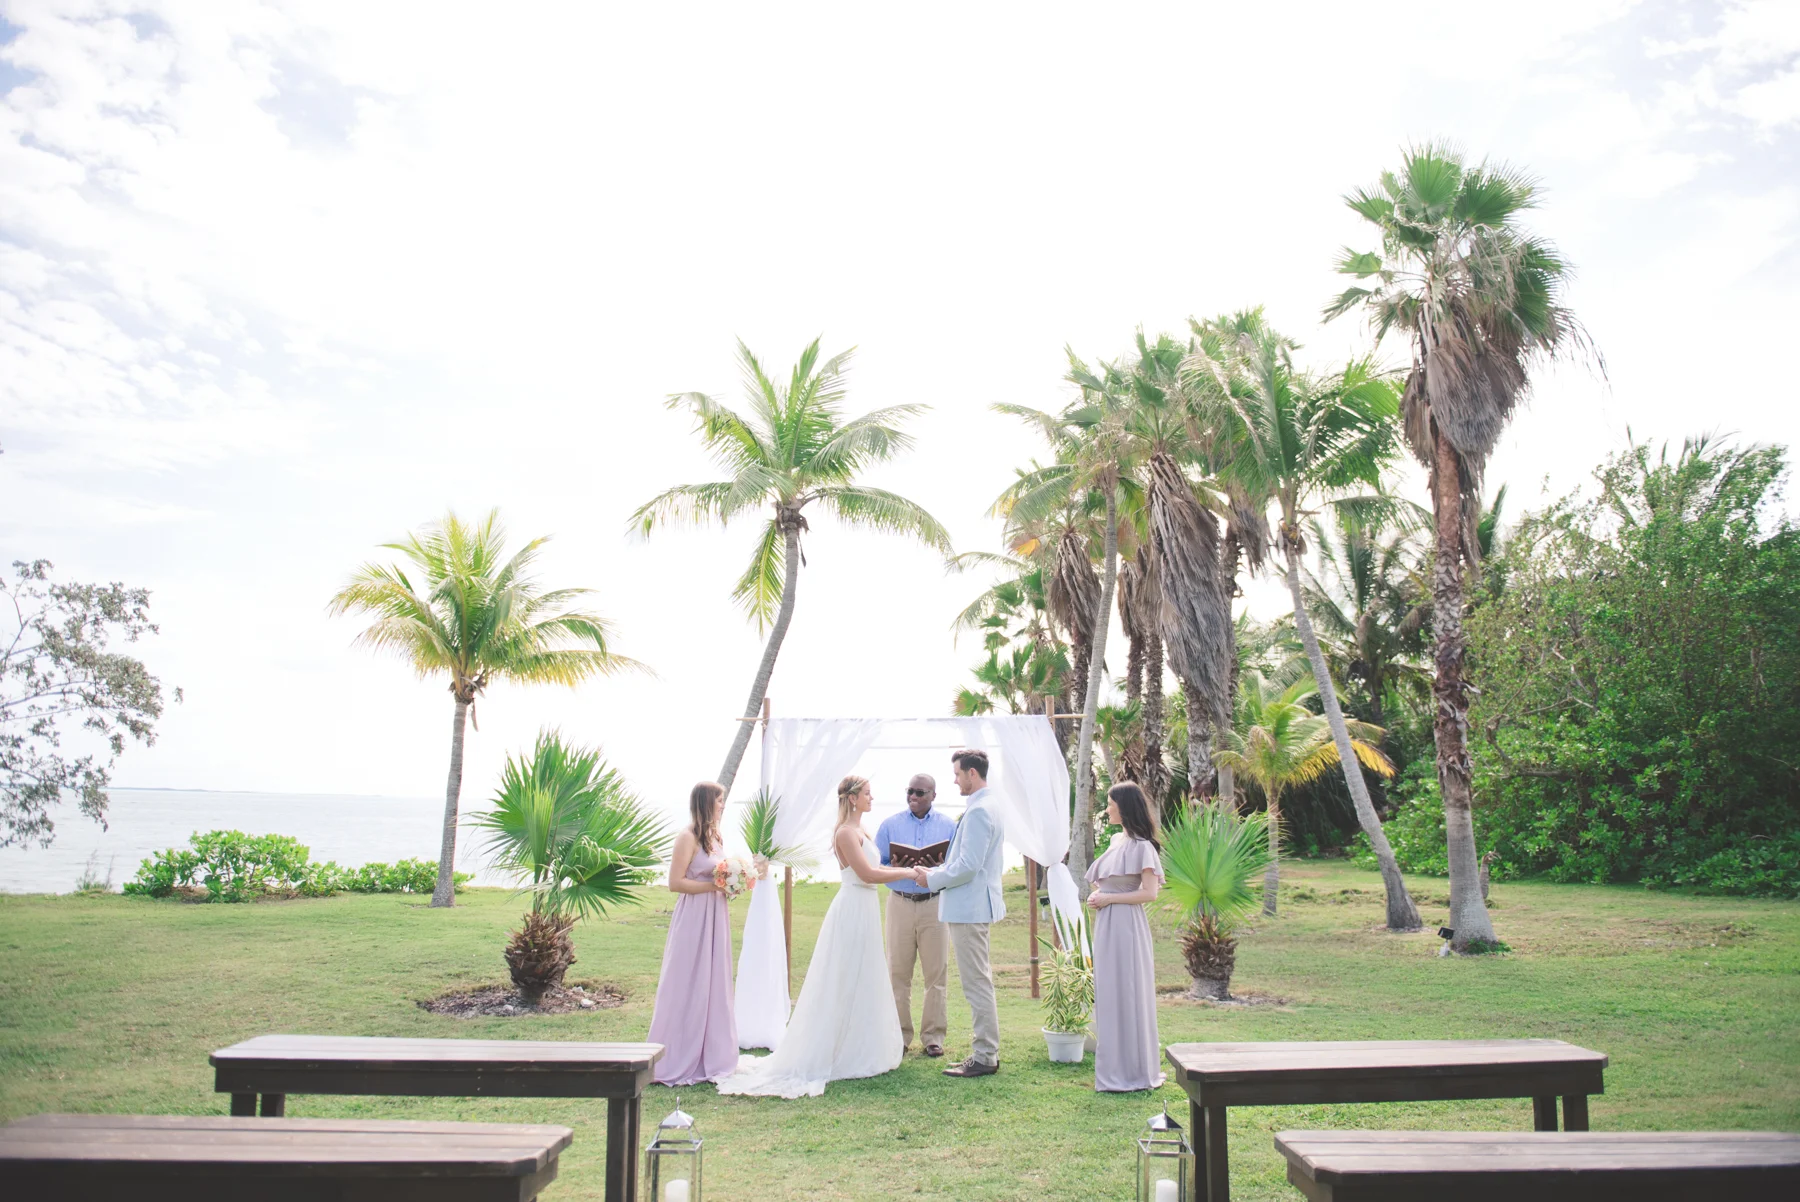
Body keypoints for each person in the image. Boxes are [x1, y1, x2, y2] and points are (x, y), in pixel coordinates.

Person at [717, 774, 913, 1098]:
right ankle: (837, 1048)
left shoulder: (862, 831)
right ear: (853, 798)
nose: (871, 798)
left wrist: (905, 867)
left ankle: (861, 1044)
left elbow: (876, 868)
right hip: (852, 907)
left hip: (865, 908)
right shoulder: (845, 833)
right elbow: (867, 874)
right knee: (844, 975)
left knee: (865, 974)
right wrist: (908, 873)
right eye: (867, 793)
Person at [913, 748, 1004, 1078]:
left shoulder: (979, 811)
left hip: (970, 908)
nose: (955, 781)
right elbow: (966, 862)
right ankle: (984, 1052)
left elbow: (968, 866)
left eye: (957, 774)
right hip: (973, 906)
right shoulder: (988, 806)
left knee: (976, 983)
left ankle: (985, 1056)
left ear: (972, 774)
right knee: (978, 981)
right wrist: (937, 870)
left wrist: (932, 879)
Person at [648, 781, 739, 1086]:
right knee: (686, 979)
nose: (722, 805)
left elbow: (719, 872)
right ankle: (676, 1054)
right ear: (706, 802)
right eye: (719, 800)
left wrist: (734, 882)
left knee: (714, 980)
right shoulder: (687, 838)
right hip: (694, 916)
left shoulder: (715, 837)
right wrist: (714, 886)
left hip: (715, 915)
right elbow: (675, 883)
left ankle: (712, 1053)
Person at [1085, 782, 1166, 1092]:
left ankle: (1134, 1070)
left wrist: (1109, 899)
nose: (1107, 809)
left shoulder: (1143, 847)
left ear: (1124, 807)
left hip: (1127, 927)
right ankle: (1114, 1066)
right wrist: (1100, 895)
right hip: (1107, 925)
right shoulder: (1116, 841)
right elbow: (1110, 882)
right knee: (1109, 991)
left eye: (1110, 804)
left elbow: (1150, 893)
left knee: (1128, 990)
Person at [876, 772, 957, 1057]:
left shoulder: (949, 826)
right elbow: (877, 866)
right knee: (897, 972)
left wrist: (939, 867)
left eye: (920, 792)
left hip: (934, 904)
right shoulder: (889, 825)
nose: (913, 796)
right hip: (899, 902)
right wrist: (895, 866)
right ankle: (898, 1036)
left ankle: (933, 1037)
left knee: (936, 973)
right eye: (909, 791)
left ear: (933, 795)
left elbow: (956, 866)